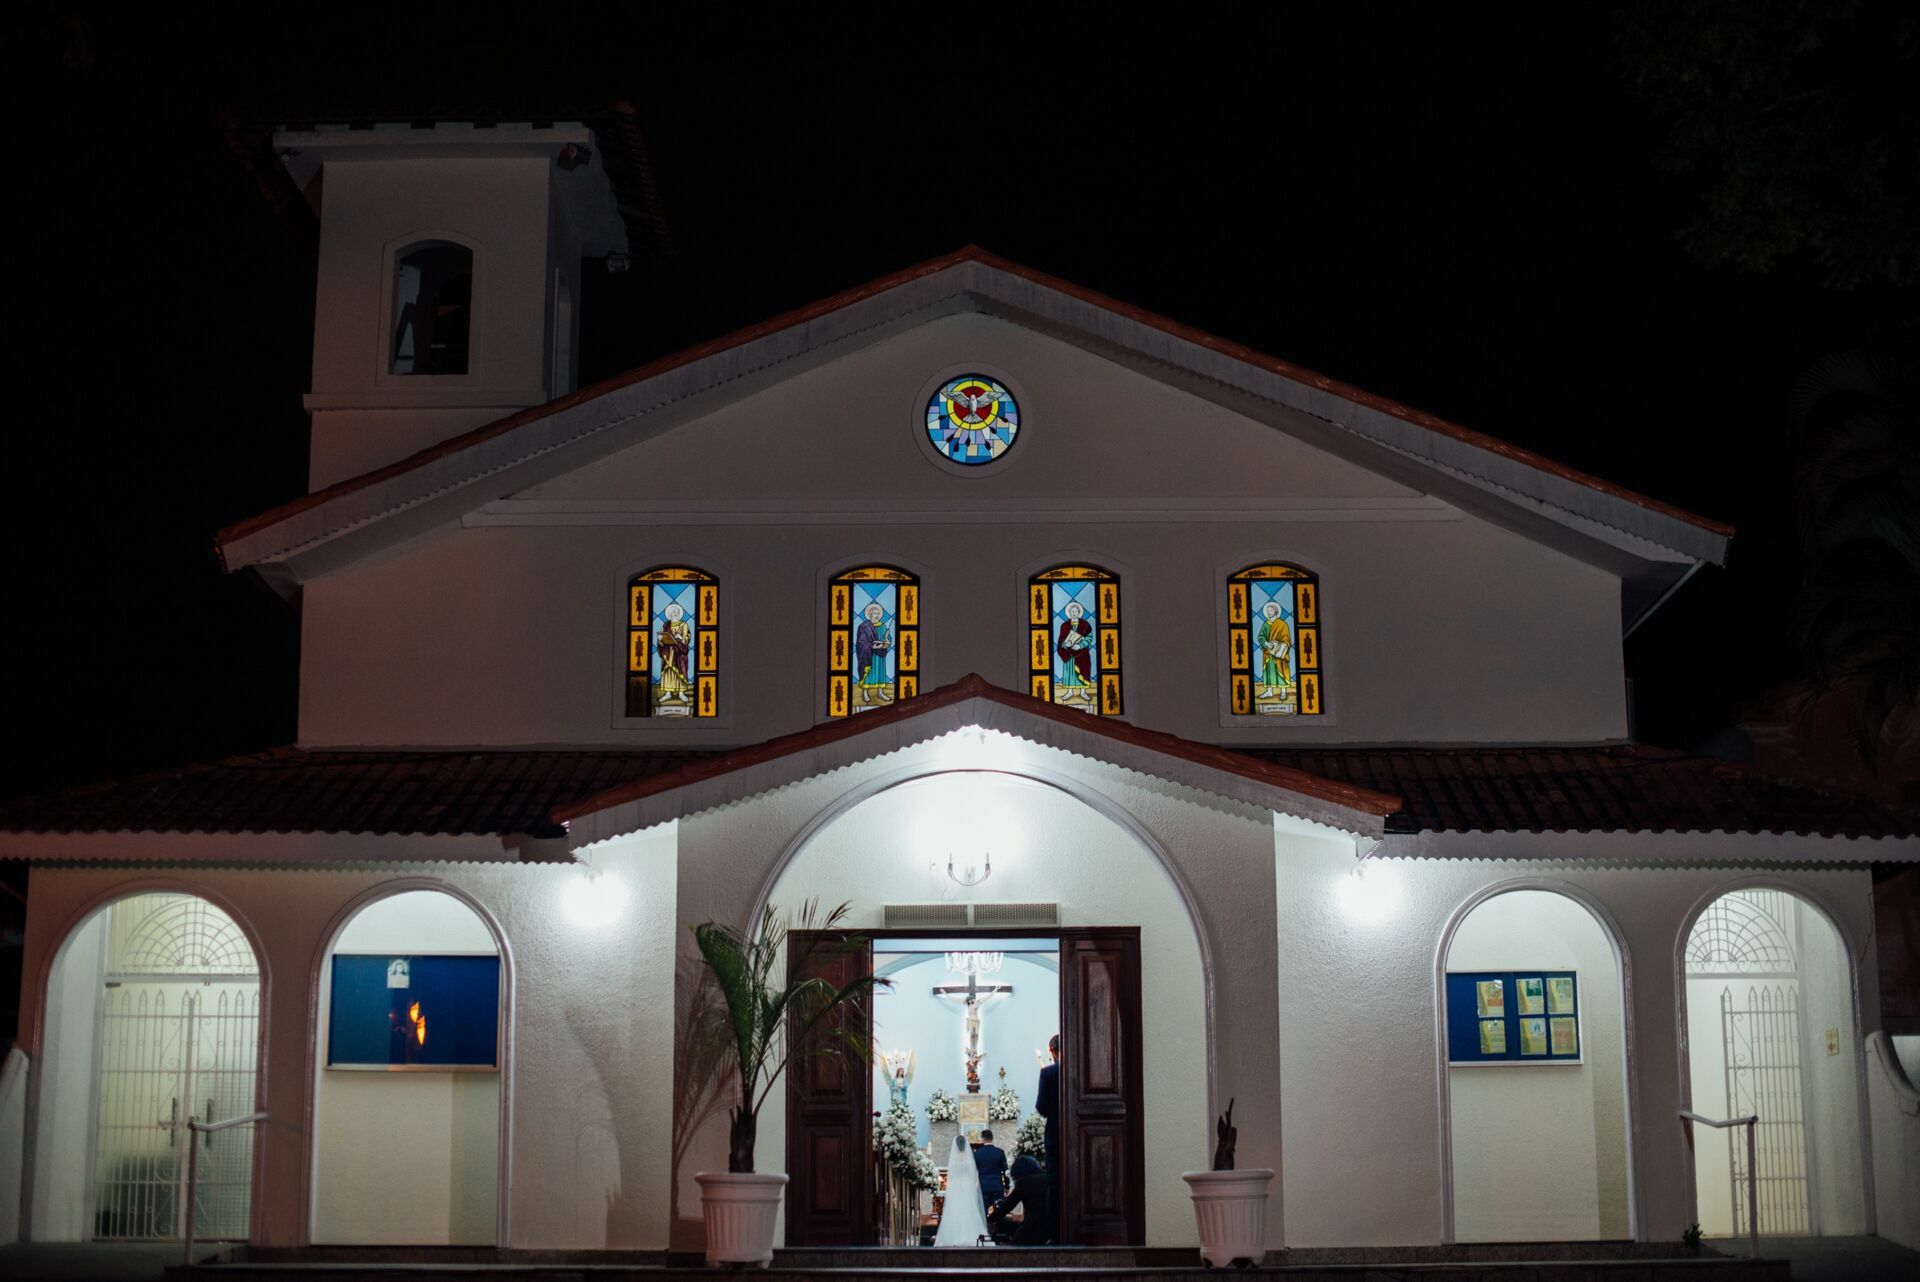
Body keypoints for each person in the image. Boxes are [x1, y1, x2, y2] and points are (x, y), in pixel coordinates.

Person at [932, 1133, 989, 1246]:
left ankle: (953, 1236)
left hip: (956, 1186)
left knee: (954, 1209)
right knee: (969, 1208)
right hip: (967, 1185)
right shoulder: (969, 1157)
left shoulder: (954, 1158)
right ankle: (972, 1234)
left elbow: (952, 1176)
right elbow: (973, 1174)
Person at [989, 1154, 1051, 1245]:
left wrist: (991, 1219)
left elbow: (1007, 1206)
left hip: (1033, 1228)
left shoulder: (1024, 1183)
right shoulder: (1047, 1178)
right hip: (1052, 1227)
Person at [1035, 1033, 1061, 1242]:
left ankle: (1054, 1234)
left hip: (1054, 1132)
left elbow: (1041, 1107)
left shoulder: (1048, 1073)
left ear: (1051, 1051)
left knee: (1053, 1183)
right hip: (1079, 1132)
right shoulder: (1081, 1071)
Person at [973, 1128, 1008, 1210]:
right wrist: (1007, 1186)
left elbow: (974, 1171)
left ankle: (986, 1223)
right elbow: (1005, 1171)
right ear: (992, 1138)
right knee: (998, 1211)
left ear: (982, 1139)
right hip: (997, 1186)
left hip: (983, 1186)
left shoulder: (977, 1153)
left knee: (984, 1211)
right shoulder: (1000, 1152)